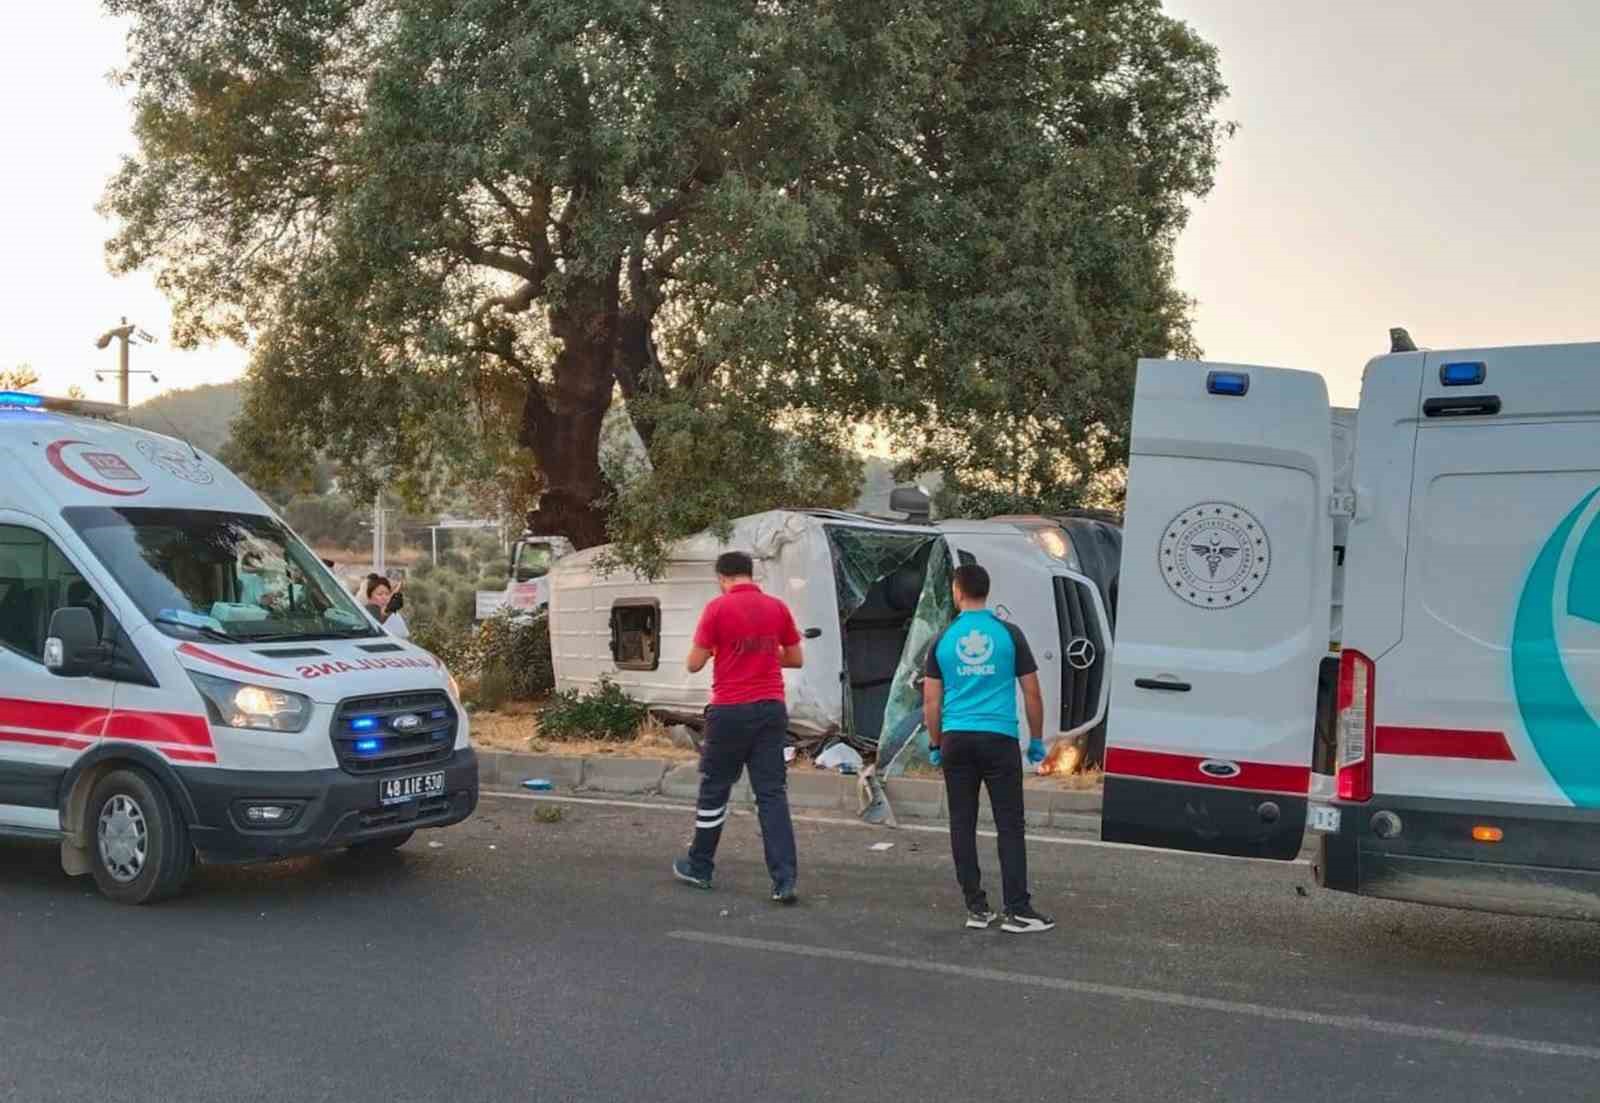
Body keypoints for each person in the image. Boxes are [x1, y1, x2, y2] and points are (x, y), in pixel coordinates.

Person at [923, 563, 1056, 934]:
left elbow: (931, 701)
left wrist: (935, 743)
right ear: (986, 590)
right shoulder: (1009, 634)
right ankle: (1018, 910)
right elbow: (1032, 692)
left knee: (962, 823)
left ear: (957, 591)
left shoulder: (943, 638)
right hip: (999, 739)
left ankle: (977, 908)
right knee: (1009, 825)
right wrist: (1036, 739)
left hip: (956, 739)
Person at [673, 551, 804, 903]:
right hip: (771, 709)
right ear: (750, 574)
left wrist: (720, 651)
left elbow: (693, 664)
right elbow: (795, 658)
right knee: (771, 795)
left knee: (715, 788)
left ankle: (700, 866)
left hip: (730, 710)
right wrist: (765, 654)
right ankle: (784, 880)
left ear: (722, 578)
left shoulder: (716, 609)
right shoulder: (777, 608)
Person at [363, 575, 411, 639]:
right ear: (369, 597)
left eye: (387, 594)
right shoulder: (367, 612)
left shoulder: (393, 614)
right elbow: (380, 618)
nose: (384, 597)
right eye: (380, 594)